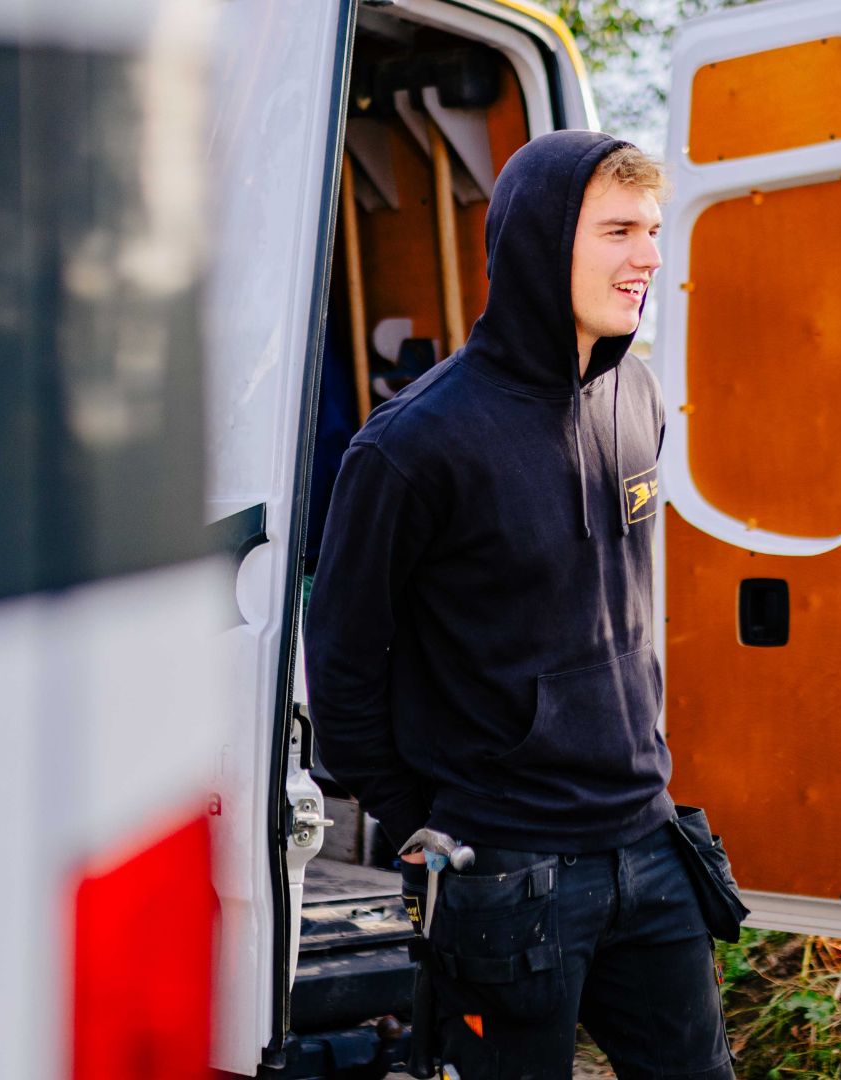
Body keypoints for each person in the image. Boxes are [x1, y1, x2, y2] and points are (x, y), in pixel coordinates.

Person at [305, 130, 734, 1080]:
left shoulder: (638, 395)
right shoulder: (413, 446)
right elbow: (340, 659)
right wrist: (417, 814)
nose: (650, 258)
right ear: (543, 242)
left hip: (649, 839)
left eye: (654, 231)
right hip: (506, 869)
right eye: (619, 230)